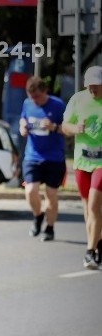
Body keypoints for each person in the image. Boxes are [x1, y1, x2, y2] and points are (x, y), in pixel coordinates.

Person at [62, 65, 102, 269]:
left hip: (101, 164)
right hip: (82, 161)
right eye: (90, 87)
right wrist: (75, 128)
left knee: (94, 203)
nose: (93, 90)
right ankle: (97, 244)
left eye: (97, 86)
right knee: (88, 207)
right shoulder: (78, 99)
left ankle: (89, 252)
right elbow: (64, 126)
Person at [18, 76, 66, 242]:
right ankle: (38, 216)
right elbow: (23, 118)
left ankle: (50, 228)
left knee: (51, 194)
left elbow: (68, 129)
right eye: (32, 97)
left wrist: (53, 127)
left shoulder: (58, 105)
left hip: (54, 157)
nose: (35, 101)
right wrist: (22, 126)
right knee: (30, 191)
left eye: (37, 97)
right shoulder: (27, 103)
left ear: (45, 91)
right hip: (33, 155)